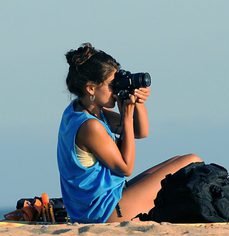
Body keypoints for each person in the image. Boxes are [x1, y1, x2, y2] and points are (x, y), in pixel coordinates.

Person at [57, 42, 203, 224]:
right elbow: (126, 168)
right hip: (105, 211)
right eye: (112, 84)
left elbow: (141, 132)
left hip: (99, 205)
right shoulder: (90, 127)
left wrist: (138, 104)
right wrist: (126, 116)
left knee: (180, 161)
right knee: (192, 161)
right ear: (91, 88)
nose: (115, 89)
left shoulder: (78, 112)